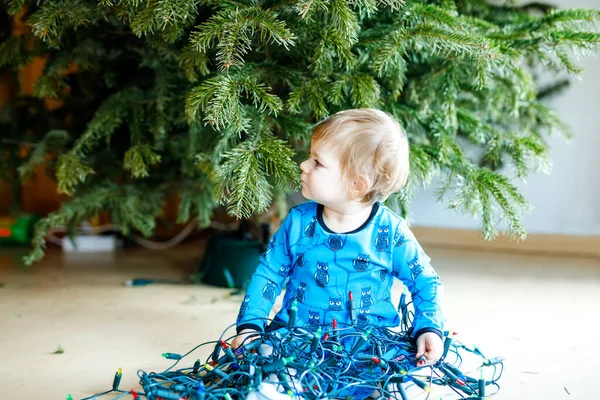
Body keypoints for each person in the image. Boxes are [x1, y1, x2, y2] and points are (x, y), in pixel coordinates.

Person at [232, 108, 444, 370]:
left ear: (357, 185)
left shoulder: (391, 232)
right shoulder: (298, 222)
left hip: (368, 347)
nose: (304, 165)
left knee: (407, 381)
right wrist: (251, 325)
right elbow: (269, 273)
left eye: (317, 162)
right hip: (297, 340)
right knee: (267, 375)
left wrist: (429, 328)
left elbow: (425, 281)